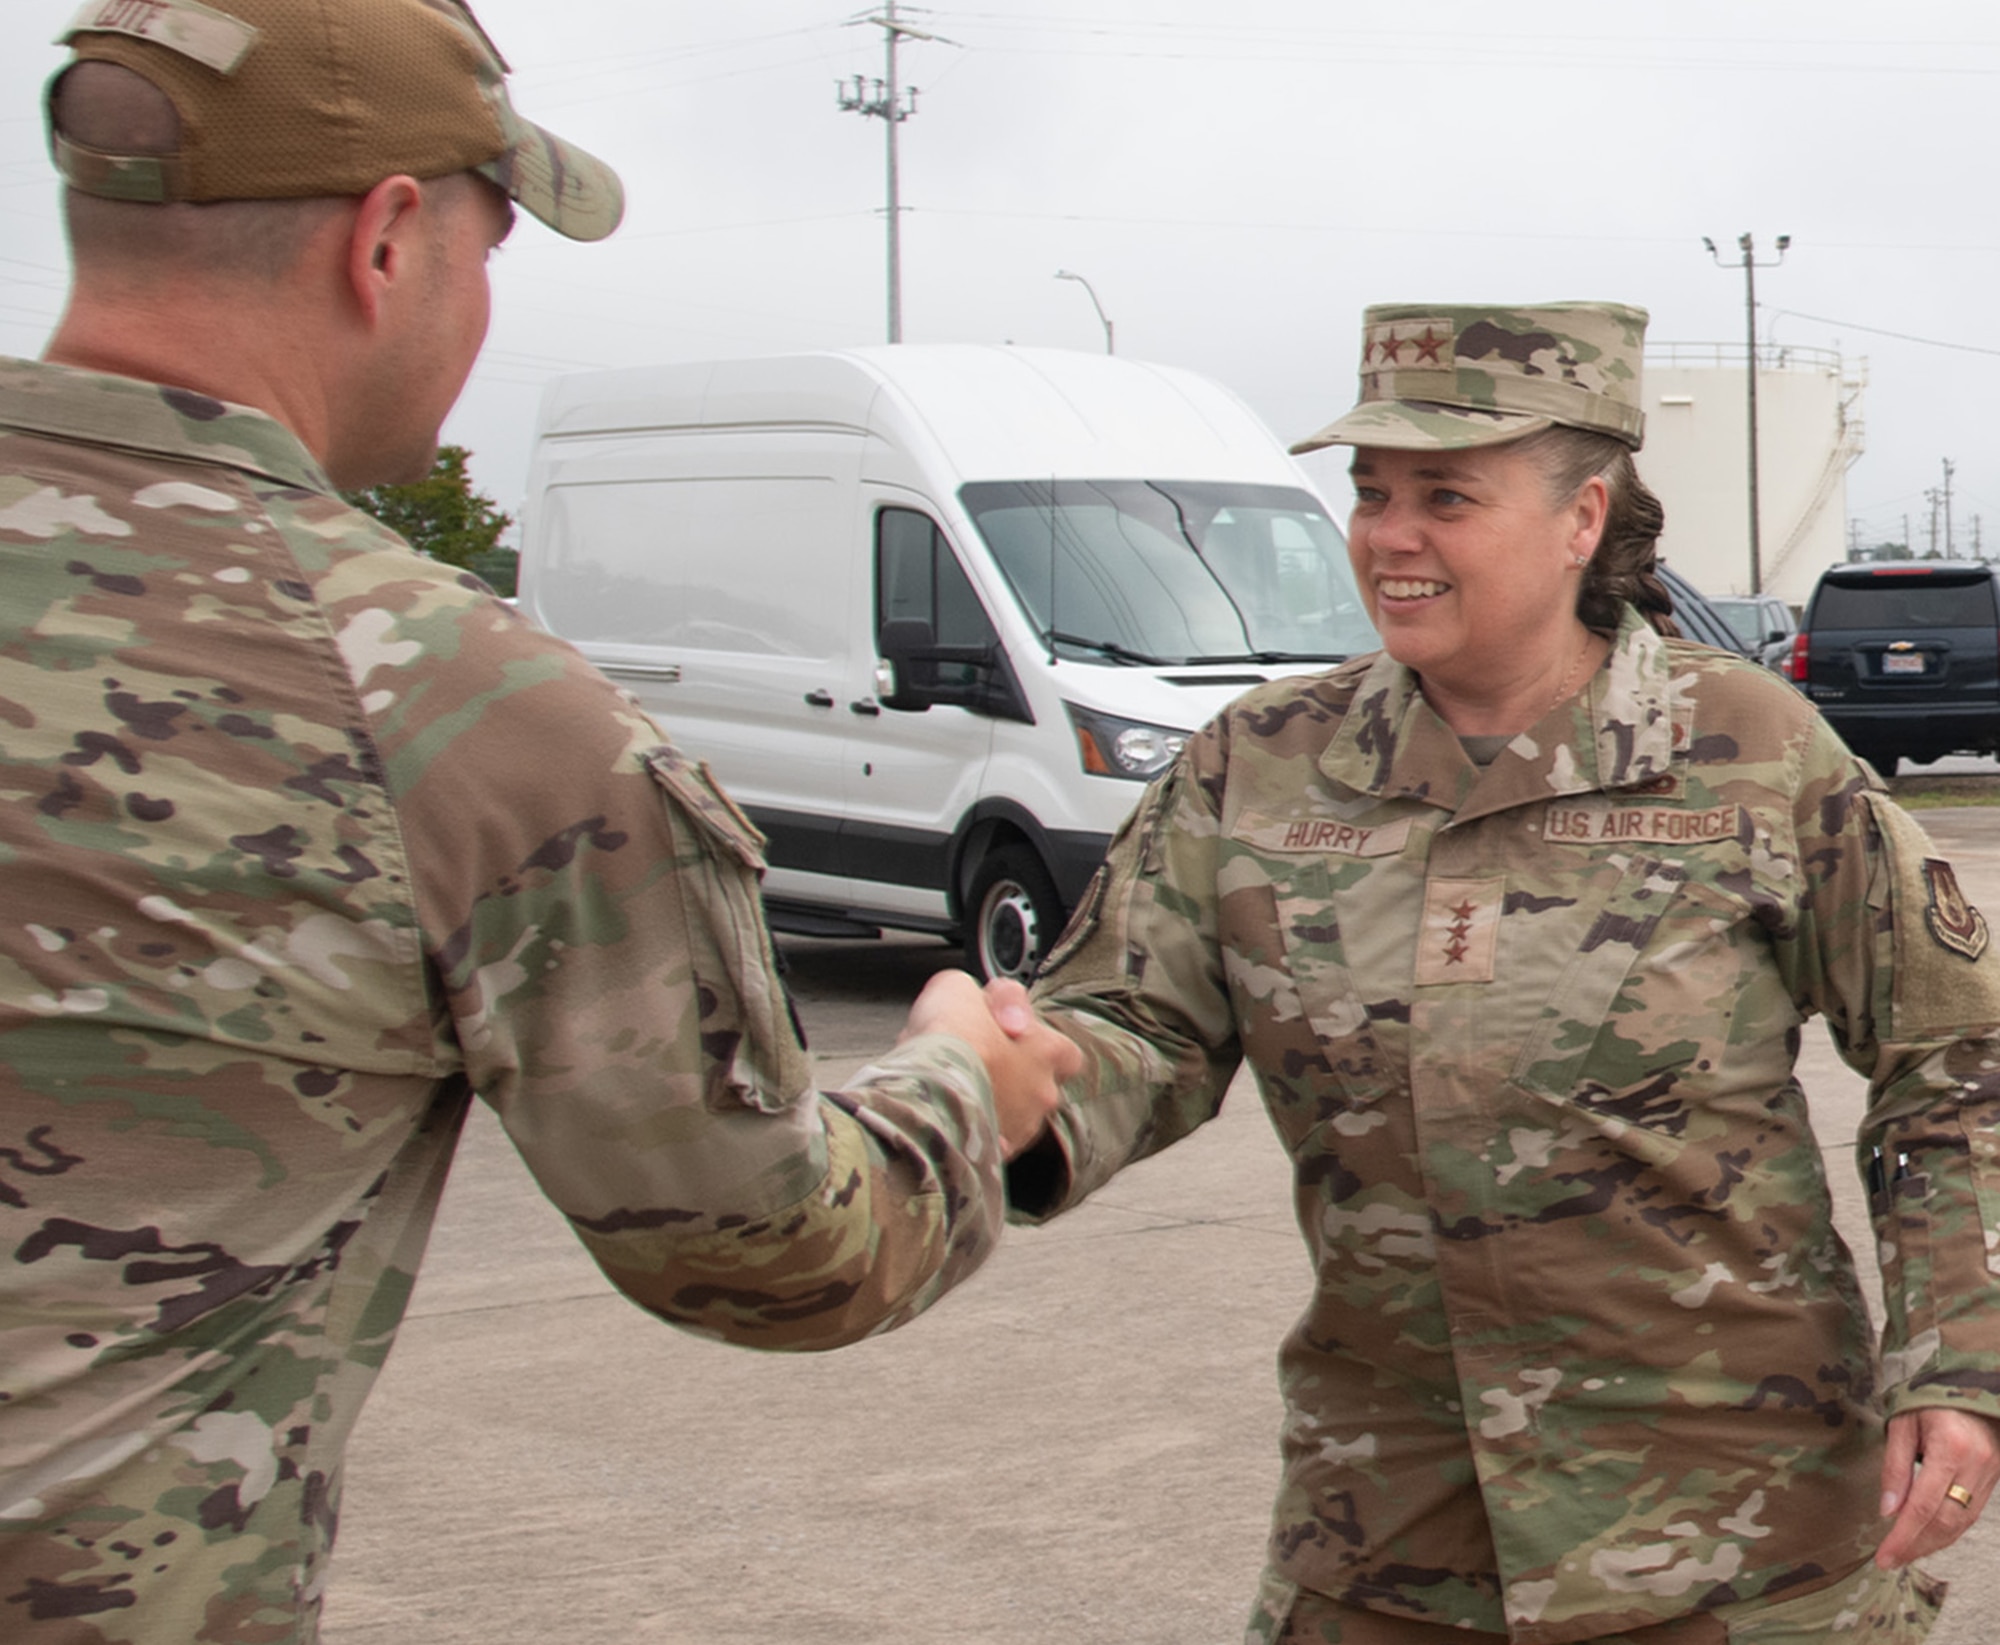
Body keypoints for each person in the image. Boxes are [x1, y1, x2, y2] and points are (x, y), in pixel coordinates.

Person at [0, 2, 1076, 1639]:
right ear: (387, 240)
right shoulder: (444, 705)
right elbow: (769, 1248)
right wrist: (962, 1082)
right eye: (490, 247)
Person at [1011, 301, 2000, 1644]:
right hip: (1387, 1544)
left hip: (1732, 1545)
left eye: (1445, 495)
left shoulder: (1750, 750)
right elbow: (1134, 1027)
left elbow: (1955, 1055)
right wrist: (1026, 1087)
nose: (1389, 534)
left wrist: (1957, 1352)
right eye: (1370, 493)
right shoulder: (1258, 765)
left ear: (1582, 517)